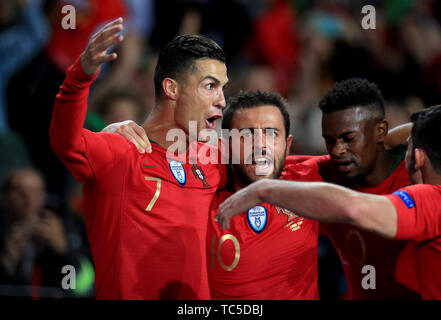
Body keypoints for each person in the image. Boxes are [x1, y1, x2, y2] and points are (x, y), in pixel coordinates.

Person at [110, 89, 410, 299]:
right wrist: (115, 130)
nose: (260, 145)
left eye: (272, 133)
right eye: (248, 134)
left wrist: (419, 127)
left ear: (288, 145)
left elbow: (381, 146)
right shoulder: (198, 187)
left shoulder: (310, 179)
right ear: (225, 146)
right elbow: (134, 158)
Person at [50, 18, 229, 299]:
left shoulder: (213, 162)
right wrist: (80, 76)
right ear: (171, 89)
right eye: (210, 86)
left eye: (222, 88)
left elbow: (281, 169)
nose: (221, 100)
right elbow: (65, 141)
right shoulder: (122, 152)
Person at [217, 105, 441, 300]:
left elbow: (353, 207)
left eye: (407, 147)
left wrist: (264, 190)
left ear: (419, 158)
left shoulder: (431, 200)